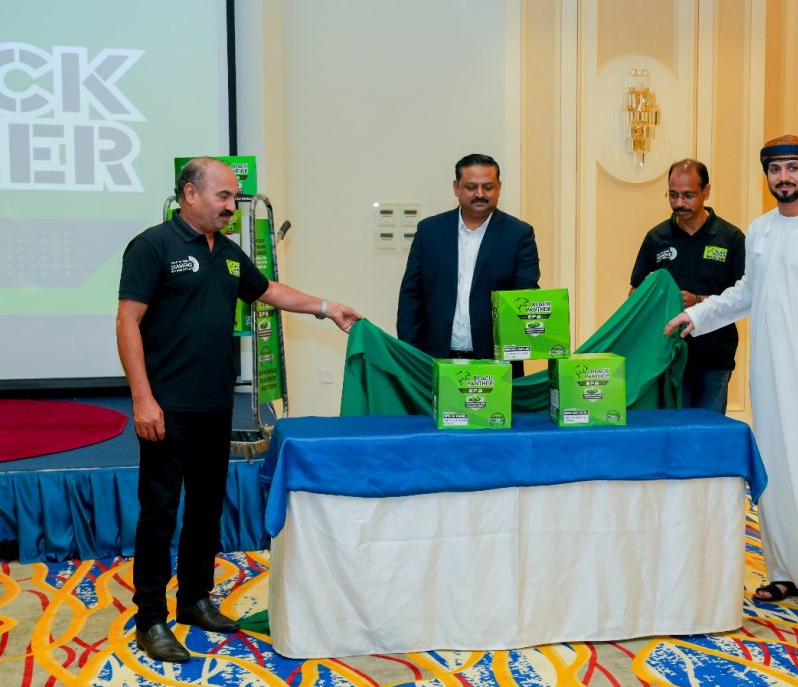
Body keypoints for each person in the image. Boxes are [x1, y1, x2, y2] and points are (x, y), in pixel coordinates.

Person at [116, 157, 362, 662]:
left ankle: (194, 600)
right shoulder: (152, 246)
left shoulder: (228, 253)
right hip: (166, 407)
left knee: (206, 507)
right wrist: (142, 398)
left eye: (234, 197)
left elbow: (267, 290)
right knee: (159, 513)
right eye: (223, 196)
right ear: (190, 194)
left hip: (215, 405)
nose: (232, 206)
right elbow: (127, 322)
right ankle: (151, 619)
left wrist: (326, 306)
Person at [664, 135, 798, 630]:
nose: (784, 177)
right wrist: (698, 316)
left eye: (793, 169)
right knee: (775, 477)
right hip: (770, 377)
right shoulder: (760, 231)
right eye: (775, 169)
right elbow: (746, 293)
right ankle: (788, 573)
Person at [397, 153, 540, 373]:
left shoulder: (519, 234)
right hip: (434, 359)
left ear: (499, 188)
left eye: (488, 187)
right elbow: (411, 296)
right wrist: (410, 355)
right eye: (471, 187)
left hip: (496, 365)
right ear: (456, 188)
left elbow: (525, 296)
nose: (480, 194)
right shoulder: (430, 231)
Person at [629, 159, 745, 413]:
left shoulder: (731, 238)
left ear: (706, 191)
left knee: (709, 429)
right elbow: (635, 292)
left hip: (715, 356)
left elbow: (745, 296)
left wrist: (698, 301)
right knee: (673, 428)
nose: (679, 203)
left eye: (688, 195)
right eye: (673, 195)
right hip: (667, 356)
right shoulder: (656, 237)